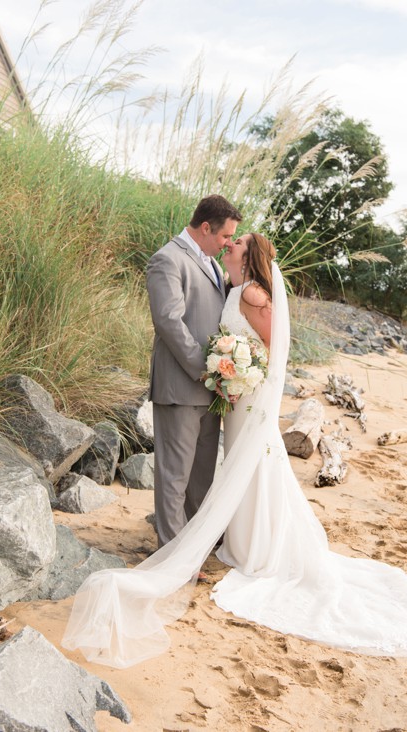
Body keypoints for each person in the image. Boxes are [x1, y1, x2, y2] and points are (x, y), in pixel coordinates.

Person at [63, 232, 407, 668]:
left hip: (247, 396)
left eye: (237, 243)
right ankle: (242, 538)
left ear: (249, 257)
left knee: (253, 462)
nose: (230, 245)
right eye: (229, 239)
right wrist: (231, 367)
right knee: (243, 466)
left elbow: (272, 347)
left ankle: (257, 547)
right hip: (236, 393)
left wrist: (241, 370)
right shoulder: (235, 286)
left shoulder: (251, 291)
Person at [147, 194, 242, 547]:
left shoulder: (214, 265)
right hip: (181, 384)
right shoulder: (167, 260)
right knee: (174, 477)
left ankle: (194, 548)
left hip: (210, 388)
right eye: (225, 236)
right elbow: (169, 322)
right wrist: (204, 370)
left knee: (201, 474)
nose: (228, 243)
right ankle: (172, 556)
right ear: (206, 227)